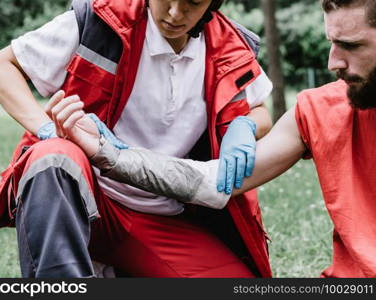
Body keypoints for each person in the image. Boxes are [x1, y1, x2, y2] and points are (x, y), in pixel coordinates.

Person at [52, 0, 376, 278]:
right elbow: (211, 183)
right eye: (332, 43)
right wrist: (113, 155)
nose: (333, 62)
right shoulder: (320, 109)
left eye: (351, 45)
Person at [0, 0, 274, 278]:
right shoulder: (100, 18)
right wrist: (45, 128)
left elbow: (260, 109)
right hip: (85, 193)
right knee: (52, 154)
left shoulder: (231, 45)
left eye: (192, 3)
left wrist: (244, 125)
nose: (175, 13)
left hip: (159, 214)